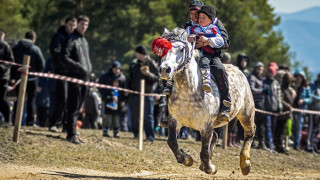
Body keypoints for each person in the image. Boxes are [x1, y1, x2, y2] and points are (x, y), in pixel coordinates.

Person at [60, 15, 91, 144]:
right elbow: (64, 57)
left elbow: (86, 59)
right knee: (73, 106)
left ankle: (74, 133)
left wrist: (88, 70)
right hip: (75, 77)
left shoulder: (84, 40)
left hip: (85, 78)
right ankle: (71, 134)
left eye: (86, 25)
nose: (84, 27)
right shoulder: (71, 39)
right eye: (82, 24)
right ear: (77, 24)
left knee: (79, 107)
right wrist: (79, 67)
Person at [49, 15, 77, 132]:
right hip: (60, 70)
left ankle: (67, 126)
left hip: (72, 72)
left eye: (74, 25)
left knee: (71, 99)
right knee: (62, 98)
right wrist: (65, 55)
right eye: (70, 24)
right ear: (65, 24)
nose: (72, 27)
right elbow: (54, 51)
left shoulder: (75, 38)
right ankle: (54, 123)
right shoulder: (58, 36)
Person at [12, 30, 45, 126]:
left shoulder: (15, 48)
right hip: (32, 79)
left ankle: (15, 121)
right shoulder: (36, 49)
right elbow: (41, 64)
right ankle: (30, 123)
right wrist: (37, 74)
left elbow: (12, 63)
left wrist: (13, 76)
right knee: (31, 101)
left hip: (19, 79)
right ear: (33, 39)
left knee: (18, 101)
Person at [128, 45, 160, 141]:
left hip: (147, 93)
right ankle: (137, 134)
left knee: (148, 116)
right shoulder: (135, 64)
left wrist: (148, 74)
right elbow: (130, 78)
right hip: (136, 93)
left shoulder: (150, 63)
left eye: (136, 53)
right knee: (135, 115)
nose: (135, 55)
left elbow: (157, 77)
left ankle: (150, 136)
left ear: (141, 53)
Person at [98, 61, 126, 138]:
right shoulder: (105, 77)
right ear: (112, 68)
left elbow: (124, 91)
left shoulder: (123, 78)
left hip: (118, 101)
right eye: (115, 68)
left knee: (116, 118)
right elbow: (100, 87)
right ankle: (105, 131)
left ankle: (116, 132)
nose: (117, 70)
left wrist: (123, 100)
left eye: (118, 69)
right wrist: (107, 96)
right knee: (108, 117)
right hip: (108, 100)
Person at [248, 62, 267, 150]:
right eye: (259, 69)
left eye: (262, 70)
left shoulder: (262, 79)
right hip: (254, 102)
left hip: (261, 102)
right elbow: (251, 89)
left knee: (262, 124)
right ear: (255, 69)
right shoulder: (252, 77)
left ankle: (261, 142)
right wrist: (262, 90)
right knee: (253, 123)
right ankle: (252, 141)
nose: (260, 71)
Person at [274, 73, 294, 155]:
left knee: (284, 131)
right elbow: (280, 99)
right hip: (281, 113)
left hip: (287, 114)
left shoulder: (288, 90)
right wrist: (288, 106)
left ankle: (282, 146)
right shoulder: (281, 88)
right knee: (279, 130)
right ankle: (278, 146)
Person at [292, 70, 312, 151]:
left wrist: (304, 101)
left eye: (300, 77)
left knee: (298, 127)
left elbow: (310, 98)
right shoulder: (292, 86)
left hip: (300, 110)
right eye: (297, 77)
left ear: (303, 78)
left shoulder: (306, 87)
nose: (299, 79)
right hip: (291, 109)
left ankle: (296, 144)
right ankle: (287, 142)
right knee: (291, 127)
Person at [0, 29, 15, 126]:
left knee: (2, 99)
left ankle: (7, 119)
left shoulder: (5, 46)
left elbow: (11, 61)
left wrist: (1, 66)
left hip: (3, 77)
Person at [306, 74, 320, 153]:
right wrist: (318, 99)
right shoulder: (313, 84)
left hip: (319, 111)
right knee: (311, 127)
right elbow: (310, 95)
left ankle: (314, 145)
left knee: (317, 129)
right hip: (312, 109)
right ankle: (309, 145)